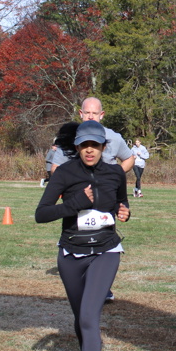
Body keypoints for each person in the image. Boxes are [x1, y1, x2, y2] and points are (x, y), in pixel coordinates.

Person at [35, 120, 130, 351]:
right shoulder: (65, 173)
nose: (90, 150)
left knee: (89, 316)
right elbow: (41, 214)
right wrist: (73, 203)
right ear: (77, 147)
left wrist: (124, 212)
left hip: (105, 251)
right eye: (84, 145)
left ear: (103, 147)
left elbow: (121, 204)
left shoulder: (115, 173)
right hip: (71, 254)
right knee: (80, 318)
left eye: (95, 145)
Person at [50, 97, 134, 303]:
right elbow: (55, 168)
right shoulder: (70, 137)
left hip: (104, 203)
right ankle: (84, 285)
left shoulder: (113, 137)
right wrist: (67, 185)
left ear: (101, 115)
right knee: (79, 238)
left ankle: (101, 287)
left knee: (104, 240)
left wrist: (111, 179)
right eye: (87, 112)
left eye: (94, 113)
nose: (90, 116)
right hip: (78, 202)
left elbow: (129, 158)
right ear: (80, 114)